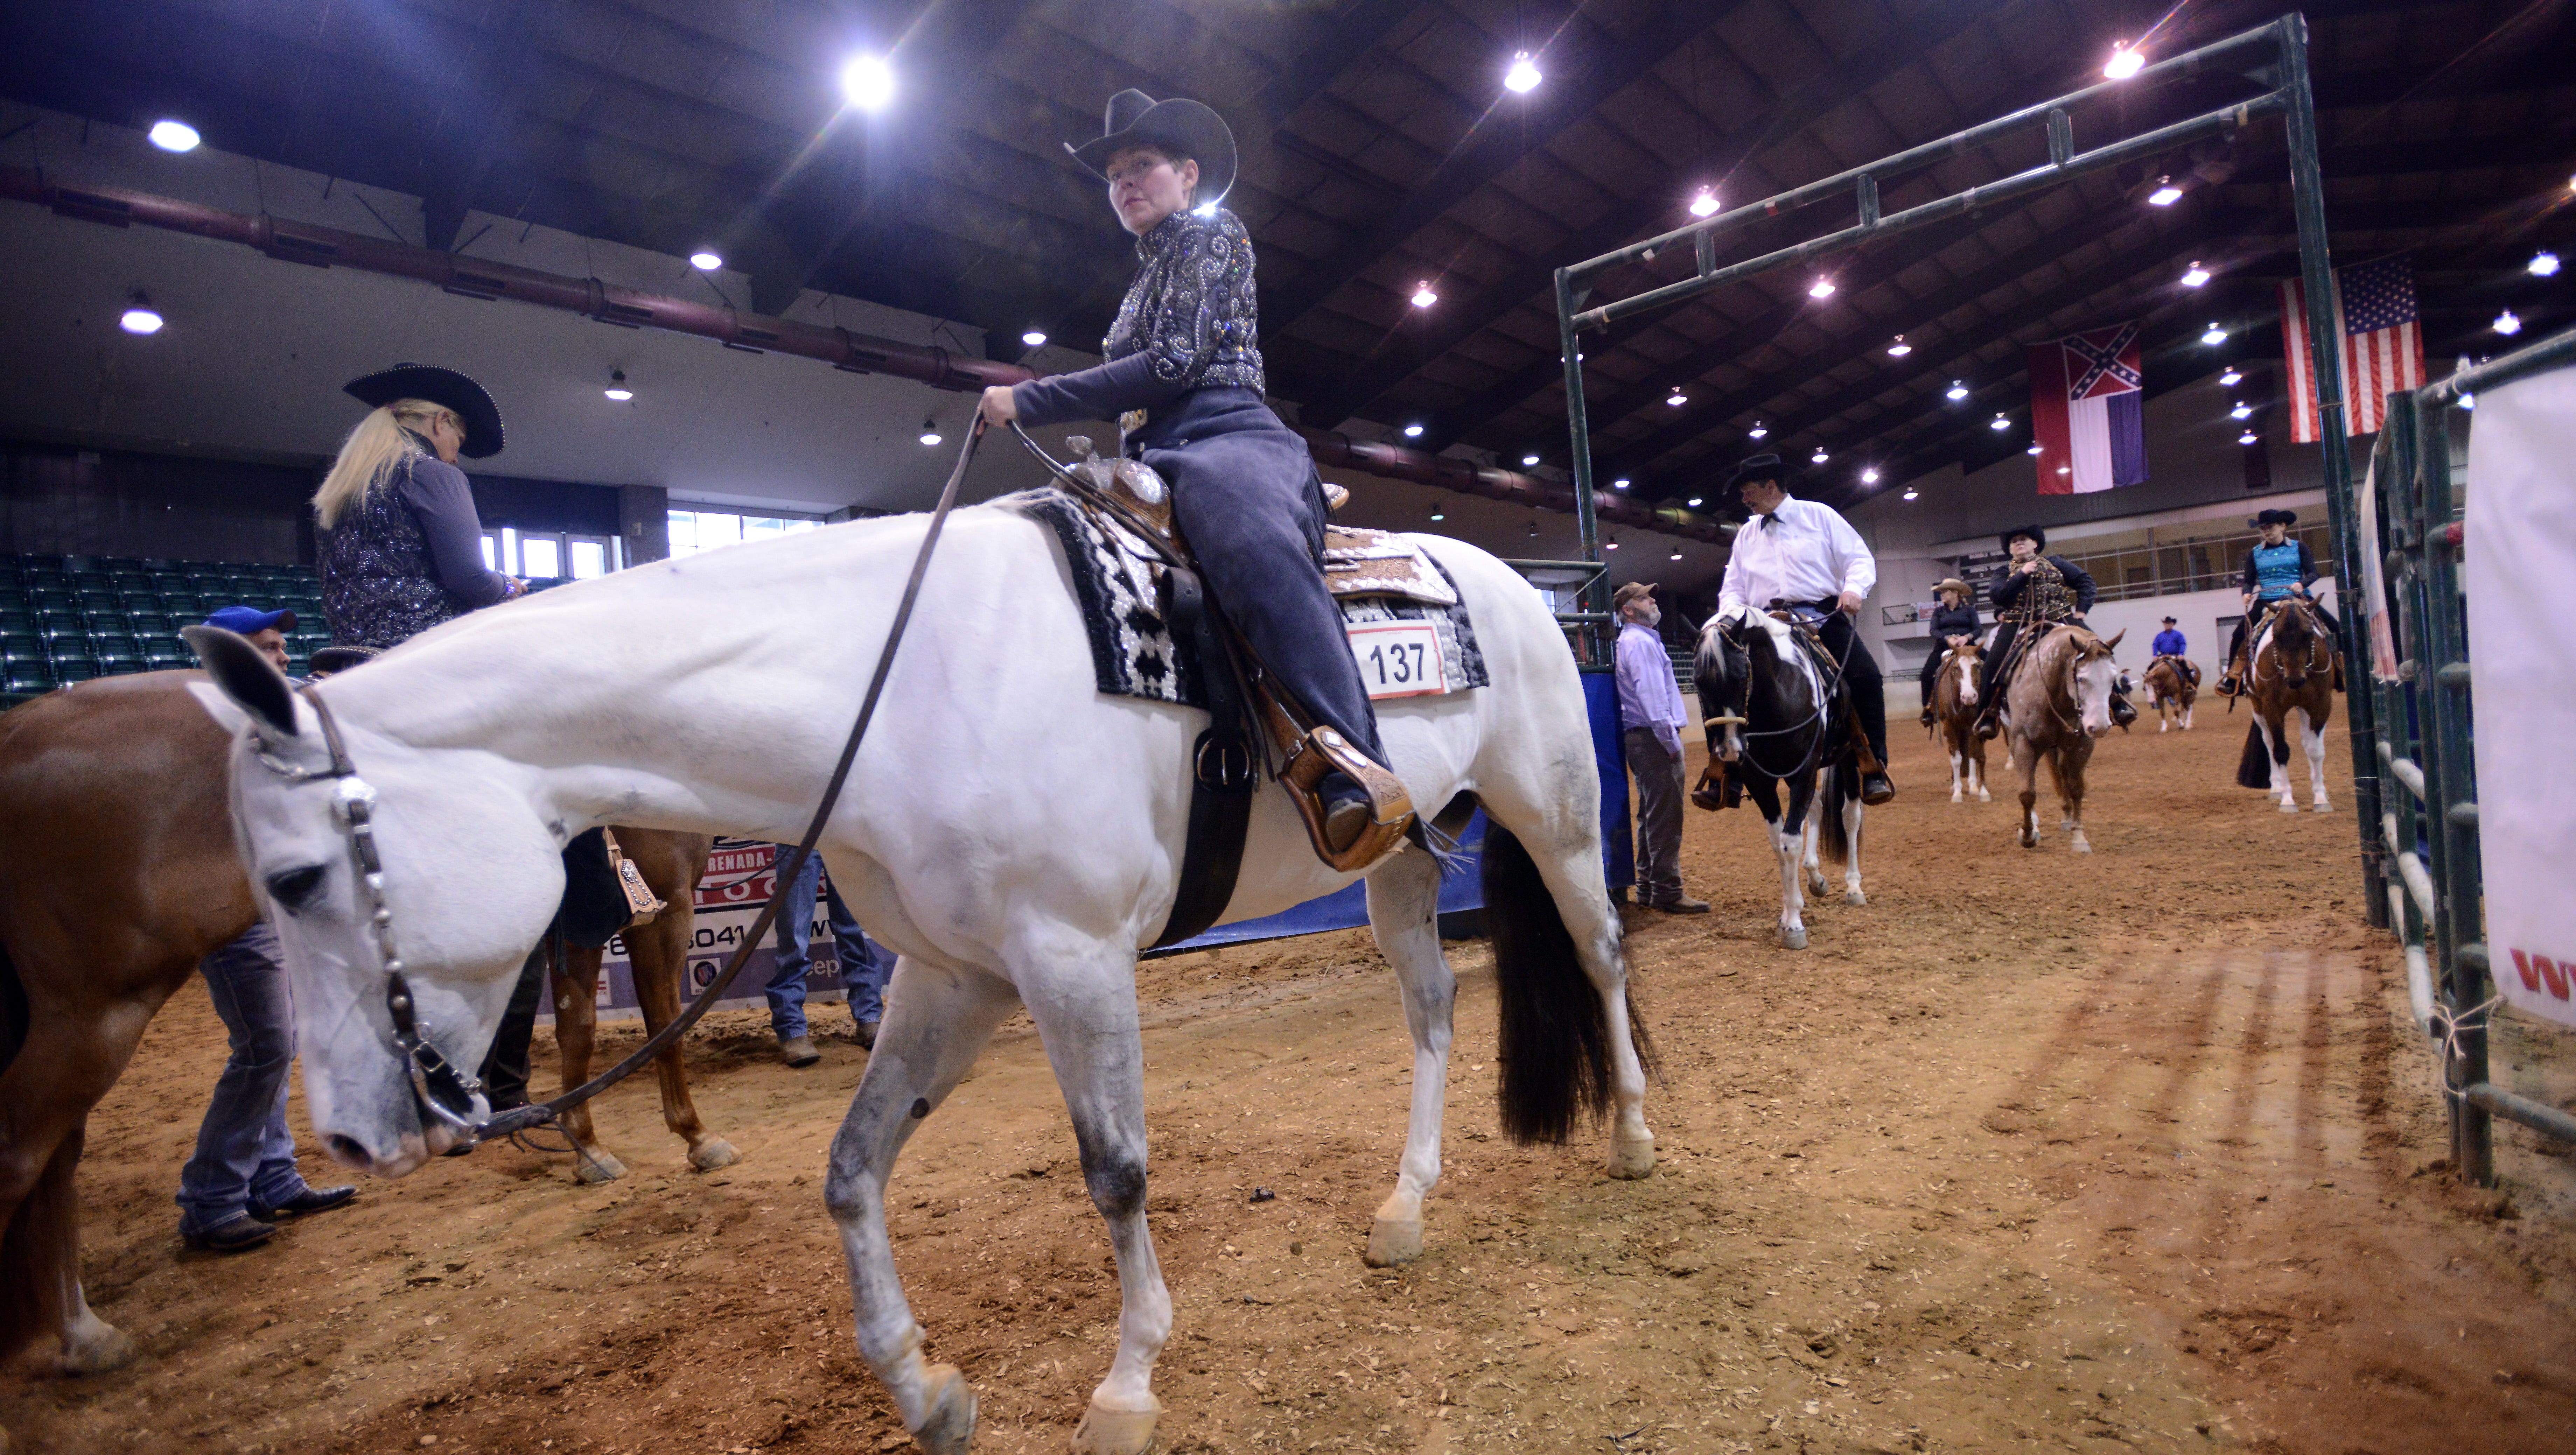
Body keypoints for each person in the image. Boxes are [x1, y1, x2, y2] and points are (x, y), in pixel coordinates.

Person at [978, 90, 1409, 863]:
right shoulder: (1139, 284)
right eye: (1114, 174)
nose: (1124, 183)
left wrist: (1031, 398)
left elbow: (1174, 363)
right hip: (1152, 451)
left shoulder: (1215, 235)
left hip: (1225, 436)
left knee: (1246, 541)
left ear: (1187, 174)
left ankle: (1354, 764)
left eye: (1141, 165)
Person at [177, 606, 357, 1251]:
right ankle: (211, 1198)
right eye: (264, 648)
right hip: (232, 911)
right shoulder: (211, 726)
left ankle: (274, 1176)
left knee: (277, 1044)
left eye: (281, 646)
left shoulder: (264, 720)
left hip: (266, 907)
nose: (281, 657)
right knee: (266, 1046)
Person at [1716, 454, 1894, 803]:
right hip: (1762, 623)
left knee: (1866, 678)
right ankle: (1727, 770)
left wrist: (1853, 589)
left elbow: (1858, 559)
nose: (1744, 499)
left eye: (1748, 491)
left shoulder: (1820, 515)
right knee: (1724, 682)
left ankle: (1871, 764)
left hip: (1821, 617)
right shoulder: (1746, 534)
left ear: (1770, 486)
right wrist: (1728, 618)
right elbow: (1733, 588)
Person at [1972, 525, 2135, 738]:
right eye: (2014, 541)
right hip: (2017, 622)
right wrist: (2022, 574)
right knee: (1992, 665)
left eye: (2024, 539)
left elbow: (2085, 581)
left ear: (2035, 544)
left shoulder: (2056, 563)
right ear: (2010, 550)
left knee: (2099, 650)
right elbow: (1998, 596)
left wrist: (2082, 611)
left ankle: (2118, 702)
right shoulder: (2004, 572)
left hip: (2060, 617)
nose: (2019, 543)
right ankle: (1987, 715)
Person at [1610, 583, 1707, 914]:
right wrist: (1670, 741)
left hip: (1643, 737)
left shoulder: (1636, 641)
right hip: (1653, 738)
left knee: (1652, 814)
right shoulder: (1640, 643)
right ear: (1628, 609)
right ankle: (1667, 890)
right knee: (1665, 817)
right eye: (1643, 598)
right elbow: (1652, 697)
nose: (1652, 600)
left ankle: (1650, 886)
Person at [766, 848, 897, 1066]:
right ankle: (791, 1028)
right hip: (797, 834)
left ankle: (869, 1017)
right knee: (793, 934)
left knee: (853, 927)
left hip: (842, 835)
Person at [2218, 509, 2335, 696]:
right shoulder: (2255, 553)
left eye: (2270, 527)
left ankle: (2342, 671)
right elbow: (2249, 580)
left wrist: (2301, 584)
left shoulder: (2299, 547)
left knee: (2334, 627)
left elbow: (2314, 573)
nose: (2266, 532)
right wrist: (2246, 593)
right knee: (2239, 634)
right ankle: (2233, 678)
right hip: (2267, 601)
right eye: (2263, 529)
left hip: (2299, 598)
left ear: (2283, 526)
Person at [1917, 577, 1982, 726]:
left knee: (1989, 665)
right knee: (1926, 674)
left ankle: (1990, 707)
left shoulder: (1970, 610)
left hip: (1968, 648)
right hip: (1943, 647)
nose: (1942, 595)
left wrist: (1966, 637)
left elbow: (1978, 629)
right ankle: (1929, 709)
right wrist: (1947, 639)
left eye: (1945, 592)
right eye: (1941, 593)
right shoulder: (1939, 612)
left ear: (1955, 593)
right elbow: (1933, 630)